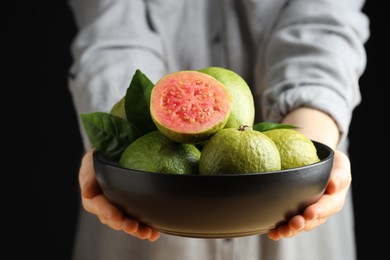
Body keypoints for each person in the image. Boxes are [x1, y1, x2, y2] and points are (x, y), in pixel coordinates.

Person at [67, 0, 369, 259]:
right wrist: (119, 153)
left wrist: (308, 157)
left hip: (294, 229)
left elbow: (324, 25)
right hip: (148, 212)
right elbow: (113, 30)